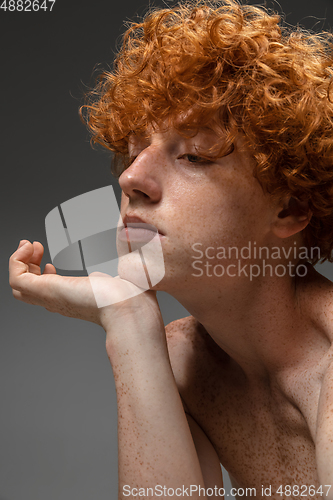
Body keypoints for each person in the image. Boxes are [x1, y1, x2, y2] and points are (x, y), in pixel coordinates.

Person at [9, 0, 333, 498]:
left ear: (288, 209)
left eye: (194, 156)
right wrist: (130, 320)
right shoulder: (187, 364)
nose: (131, 178)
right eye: (136, 150)